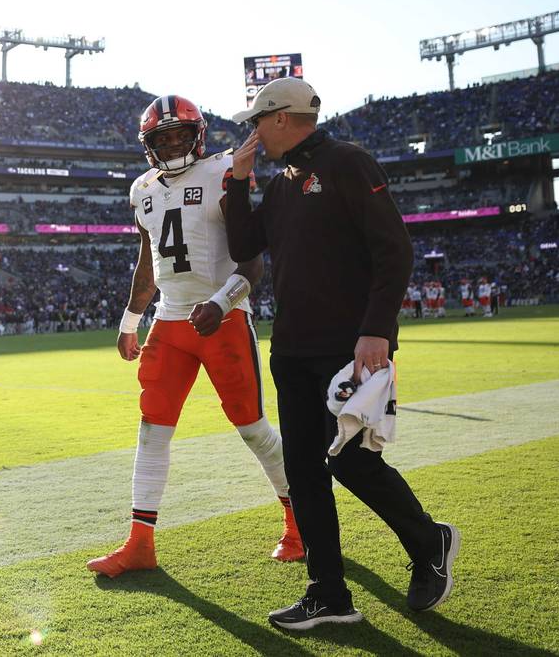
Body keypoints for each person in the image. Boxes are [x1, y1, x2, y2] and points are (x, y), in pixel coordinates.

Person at [225, 77, 458, 630]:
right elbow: (242, 247)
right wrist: (238, 184)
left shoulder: (349, 162)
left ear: (281, 118)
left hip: (351, 347)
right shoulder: (280, 182)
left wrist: (377, 329)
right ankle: (330, 595)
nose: (252, 131)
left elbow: (395, 250)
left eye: (256, 120)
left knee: (349, 458)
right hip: (294, 348)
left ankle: (429, 541)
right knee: (304, 471)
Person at [86, 94, 302, 580]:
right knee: (152, 429)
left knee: (252, 429)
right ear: (148, 145)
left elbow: (253, 262)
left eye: (179, 135)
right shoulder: (142, 188)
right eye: (161, 138)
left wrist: (222, 303)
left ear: (197, 135)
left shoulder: (225, 170)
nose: (172, 144)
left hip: (222, 321)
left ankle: (298, 522)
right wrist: (129, 321)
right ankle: (140, 544)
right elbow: (149, 261)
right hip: (169, 323)